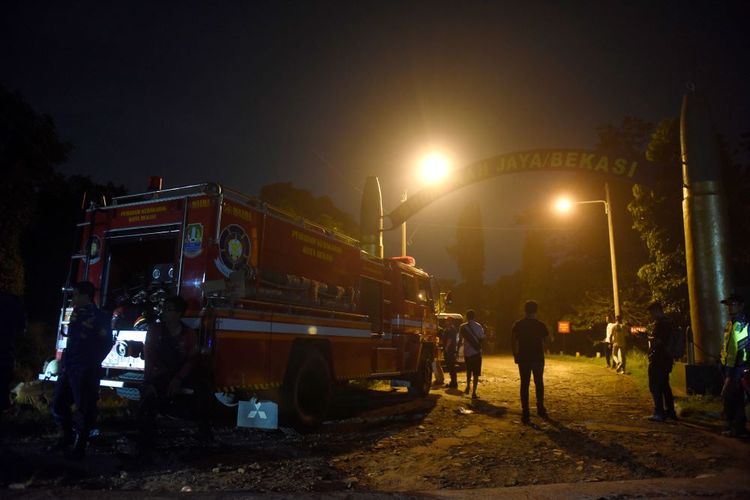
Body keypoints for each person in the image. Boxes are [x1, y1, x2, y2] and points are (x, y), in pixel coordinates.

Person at [136, 295, 212, 450]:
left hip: (182, 373)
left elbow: (191, 359)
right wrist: (148, 381)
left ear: (178, 313)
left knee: (203, 389)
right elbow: (150, 358)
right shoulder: (155, 331)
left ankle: (204, 431)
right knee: (148, 400)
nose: (164, 312)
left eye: (169, 309)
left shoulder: (188, 333)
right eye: (163, 309)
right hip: (161, 374)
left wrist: (178, 378)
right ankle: (146, 441)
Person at [50, 281, 113, 458]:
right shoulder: (77, 313)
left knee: (84, 408)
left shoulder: (99, 316)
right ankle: (66, 437)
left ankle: (80, 447)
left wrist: (92, 362)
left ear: (86, 296)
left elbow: (107, 342)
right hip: (70, 366)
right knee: (58, 404)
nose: (73, 298)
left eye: (76, 295)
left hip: (86, 368)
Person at [511, 300, 549, 424]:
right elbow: (547, 341)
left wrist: (515, 355)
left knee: (524, 384)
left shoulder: (518, 324)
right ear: (536, 310)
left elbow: (513, 341)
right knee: (539, 383)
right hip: (537, 357)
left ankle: (525, 412)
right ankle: (540, 408)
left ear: (525, 310)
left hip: (523, 358)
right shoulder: (541, 325)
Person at [719, 293, 748, 437]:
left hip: (737, 367)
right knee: (735, 398)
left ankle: (736, 428)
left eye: (733, 304)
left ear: (741, 305)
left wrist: (729, 374)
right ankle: (736, 427)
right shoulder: (732, 322)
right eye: (728, 305)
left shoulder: (741, 323)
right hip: (732, 366)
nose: (730, 307)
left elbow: (734, 351)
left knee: (733, 397)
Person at [645, 301, 676, 422]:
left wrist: (646, 337)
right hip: (667, 359)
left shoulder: (661, 324)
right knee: (665, 385)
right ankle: (670, 412)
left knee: (655, 385)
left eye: (652, 312)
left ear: (657, 310)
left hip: (659, 359)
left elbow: (659, 342)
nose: (651, 315)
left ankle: (659, 412)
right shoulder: (669, 322)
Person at [0, 291, 26, 417]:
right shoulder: (14, 303)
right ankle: (5, 408)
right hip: (5, 350)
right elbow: (21, 328)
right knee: (4, 379)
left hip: (5, 349)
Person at [459, 309, 485, 399]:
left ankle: (467, 387)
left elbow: (460, 340)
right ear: (474, 317)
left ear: (466, 317)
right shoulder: (479, 326)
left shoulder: (462, 327)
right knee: (476, 373)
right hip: (476, 353)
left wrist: (457, 351)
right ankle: (474, 392)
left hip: (467, 353)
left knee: (469, 371)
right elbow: (482, 338)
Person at [441, 317, 459, 389]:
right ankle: (453, 382)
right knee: (450, 366)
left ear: (450, 322)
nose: (446, 322)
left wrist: (446, 349)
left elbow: (450, 340)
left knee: (451, 366)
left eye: (447, 321)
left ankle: (454, 383)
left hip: (450, 350)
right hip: (449, 350)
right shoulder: (447, 329)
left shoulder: (452, 330)